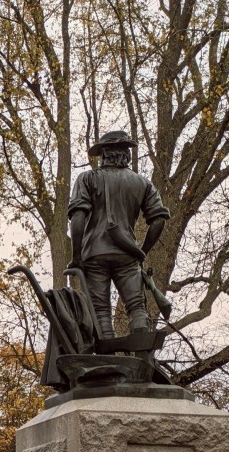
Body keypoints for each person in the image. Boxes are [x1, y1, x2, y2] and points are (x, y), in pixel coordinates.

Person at [67, 130, 170, 337]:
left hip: (94, 254)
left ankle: (107, 356)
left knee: (101, 311)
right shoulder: (142, 183)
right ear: (126, 154)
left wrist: (76, 257)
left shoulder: (87, 179)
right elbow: (159, 219)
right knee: (137, 307)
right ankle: (141, 349)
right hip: (127, 255)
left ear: (104, 153)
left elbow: (77, 217)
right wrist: (141, 252)